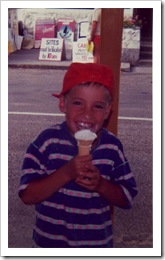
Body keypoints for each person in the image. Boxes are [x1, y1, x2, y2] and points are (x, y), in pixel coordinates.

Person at [19, 62, 138, 248]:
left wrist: (101, 185)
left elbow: (127, 198)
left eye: (97, 106)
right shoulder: (46, 143)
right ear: (62, 104)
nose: (87, 114)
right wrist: (66, 173)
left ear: (108, 111)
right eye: (77, 103)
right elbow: (27, 195)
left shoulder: (112, 148)